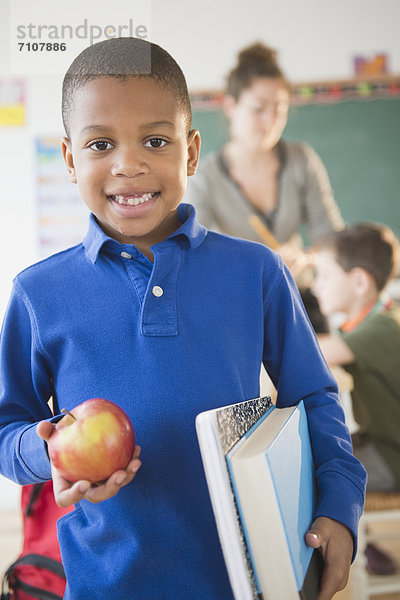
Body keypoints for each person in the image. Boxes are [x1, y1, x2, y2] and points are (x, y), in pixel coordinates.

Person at [0, 37, 366, 600]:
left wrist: (339, 506)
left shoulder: (255, 271)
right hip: (105, 587)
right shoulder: (37, 293)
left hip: (246, 581)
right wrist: (45, 450)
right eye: (101, 143)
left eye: (155, 140)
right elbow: (7, 430)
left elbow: (315, 397)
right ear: (71, 160)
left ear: (191, 152)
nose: (129, 164)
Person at [185, 42, 344, 253]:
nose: (271, 120)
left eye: (280, 109)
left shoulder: (301, 160)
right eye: (258, 109)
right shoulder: (202, 178)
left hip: (297, 284)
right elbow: (196, 252)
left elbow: (331, 236)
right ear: (231, 106)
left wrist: (306, 259)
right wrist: (265, 266)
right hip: (239, 286)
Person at [313, 223, 400, 575]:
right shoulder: (375, 318)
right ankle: (365, 546)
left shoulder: (382, 327)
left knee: (323, 476)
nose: (316, 285)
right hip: (383, 445)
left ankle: (351, 548)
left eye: (323, 275)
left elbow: (314, 352)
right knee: (327, 453)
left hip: (393, 458)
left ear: (360, 282)